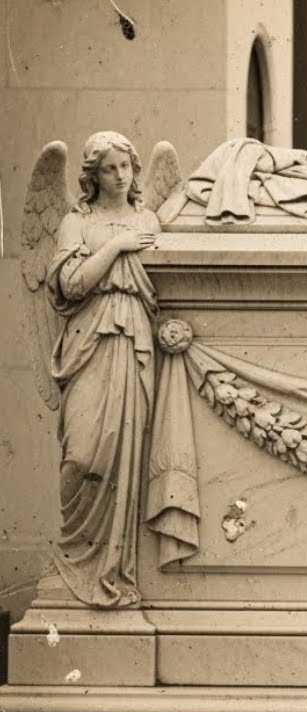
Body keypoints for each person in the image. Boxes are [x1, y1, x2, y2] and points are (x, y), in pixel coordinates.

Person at [47, 132, 160, 607]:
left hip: (133, 337)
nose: (121, 176)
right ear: (92, 175)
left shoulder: (148, 218)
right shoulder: (78, 222)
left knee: (124, 459)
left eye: (127, 167)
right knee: (82, 457)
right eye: (110, 168)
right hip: (88, 341)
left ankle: (114, 569)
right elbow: (71, 284)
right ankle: (76, 559)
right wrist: (116, 247)